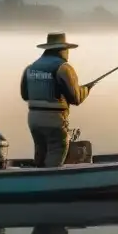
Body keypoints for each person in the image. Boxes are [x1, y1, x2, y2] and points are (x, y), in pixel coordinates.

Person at [20, 32, 92, 167]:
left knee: (40, 152)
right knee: (57, 149)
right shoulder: (64, 68)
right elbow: (76, 98)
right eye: (67, 50)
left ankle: (36, 181)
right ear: (62, 50)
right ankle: (49, 182)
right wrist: (87, 89)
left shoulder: (30, 68)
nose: (68, 54)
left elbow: (25, 95)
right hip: (54, 119)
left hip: (34, 119)